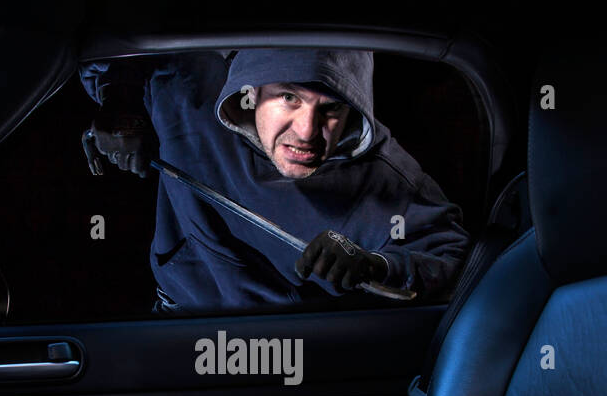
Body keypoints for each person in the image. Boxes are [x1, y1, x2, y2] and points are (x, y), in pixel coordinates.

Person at [81, 49, 471, 313]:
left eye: (331, 108)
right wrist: (119, 104)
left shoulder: (386, 177)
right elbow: (113, 48)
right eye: (289, 98)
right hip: (176, 315)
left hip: (279, 347)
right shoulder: (189, 88)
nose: (307, 132)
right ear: (250, 91)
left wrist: (375, 265)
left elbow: (448, 257)